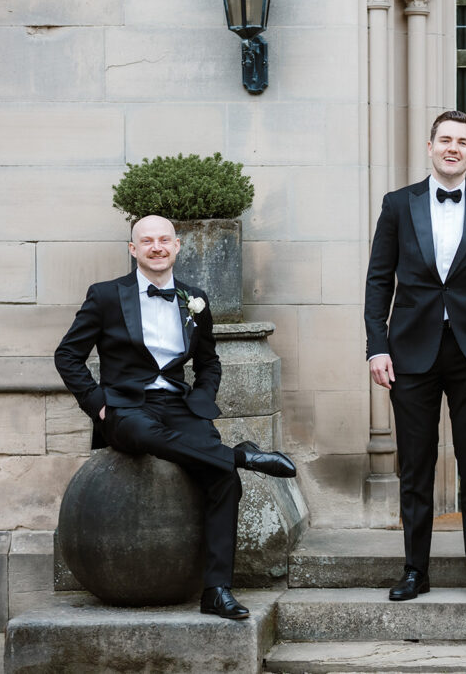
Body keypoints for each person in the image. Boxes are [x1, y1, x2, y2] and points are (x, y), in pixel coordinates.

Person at [54, 214, 297, 620]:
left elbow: (209, 363)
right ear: (133, 250)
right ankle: (242, 455)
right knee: (140, 431)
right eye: (146, 241)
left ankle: (217, 590)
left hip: (179, 408)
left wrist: (201, 400)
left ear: (177, 245)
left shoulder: (194, 299)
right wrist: (96, 402)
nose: (157, 246)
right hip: (126, 407)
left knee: (223, 480)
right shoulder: (106, 296)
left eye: (164, 239)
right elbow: (67, 355)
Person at [364, 110, 466, 601]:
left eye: (463, 142)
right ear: (430, 147)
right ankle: (415, 570)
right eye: (445, 140)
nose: (453, 148)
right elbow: (378, 280)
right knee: (415, 467)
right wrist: (377, 346)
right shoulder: (397, 205)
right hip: (410, 353)